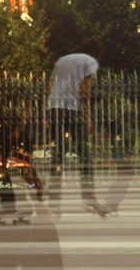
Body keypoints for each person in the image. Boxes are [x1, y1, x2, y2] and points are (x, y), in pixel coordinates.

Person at [45, 51, 108, 216]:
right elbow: (85, 90)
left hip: (55, 108)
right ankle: (89, 197)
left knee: (58, 154)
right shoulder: (91, 61)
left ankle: (54, 201)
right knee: (85, 153)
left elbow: (50, 87)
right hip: (73, 109)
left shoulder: (61, 60)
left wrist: (47, 112)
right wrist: (87, 118)